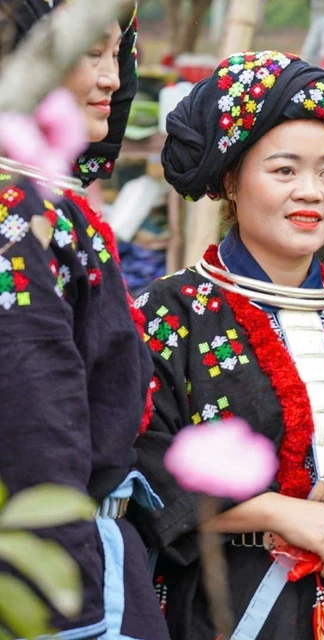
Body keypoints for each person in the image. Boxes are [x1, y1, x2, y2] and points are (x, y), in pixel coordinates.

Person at [133, 51, 324, 639]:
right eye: (284, 171)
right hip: (223, 598)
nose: (311, 192)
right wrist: (278, 511)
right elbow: (146, 464)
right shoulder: (169, 313)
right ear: (232, 180)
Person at [0, 2, 170, 638]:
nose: (113, 80)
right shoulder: (16, 216)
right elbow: (33, 416)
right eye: (88, 55)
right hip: (61, 574)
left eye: (115, 56)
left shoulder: (40, 204)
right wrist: (68, 606)